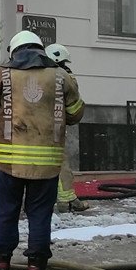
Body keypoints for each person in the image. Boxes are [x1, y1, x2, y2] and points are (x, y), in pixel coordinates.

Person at [0, 30, 85, 270]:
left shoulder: (1, 73)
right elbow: (76, 112)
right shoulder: (62, 76)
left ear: (15, 51)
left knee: (5, 213)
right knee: (39, 216)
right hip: (46, 165)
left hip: (8, 162)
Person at [44, 44, 89, 214]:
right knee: (61, 162)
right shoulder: (67, 78)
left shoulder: (38, 75)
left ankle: (36, 202)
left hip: (34, 128)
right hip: (55, 126)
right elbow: (74, 107)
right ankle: (67, 200)